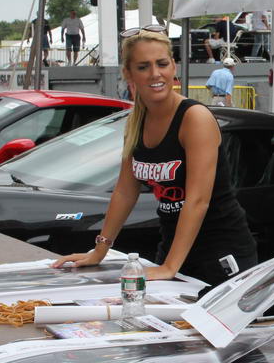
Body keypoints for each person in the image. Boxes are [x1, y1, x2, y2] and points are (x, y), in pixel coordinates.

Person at [52, 27, 258, 294]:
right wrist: (99, 251)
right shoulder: (136, 121)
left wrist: (170, 267)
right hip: (172, 247)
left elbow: (198, 200)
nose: (155, 74)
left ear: (173, 66)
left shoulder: (194, 118)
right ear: (128, 73)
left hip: (220, 251)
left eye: (162, 64)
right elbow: (125, 191)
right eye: (143, 66)